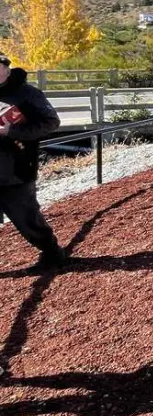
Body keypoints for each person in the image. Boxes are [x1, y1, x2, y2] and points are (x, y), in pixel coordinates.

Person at [0, 53, 66, 271]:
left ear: (7, 69)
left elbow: (51, 122)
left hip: (16, 170)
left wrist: (12, 131)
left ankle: (53, 255)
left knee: (28, 220)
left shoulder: (27, 94)